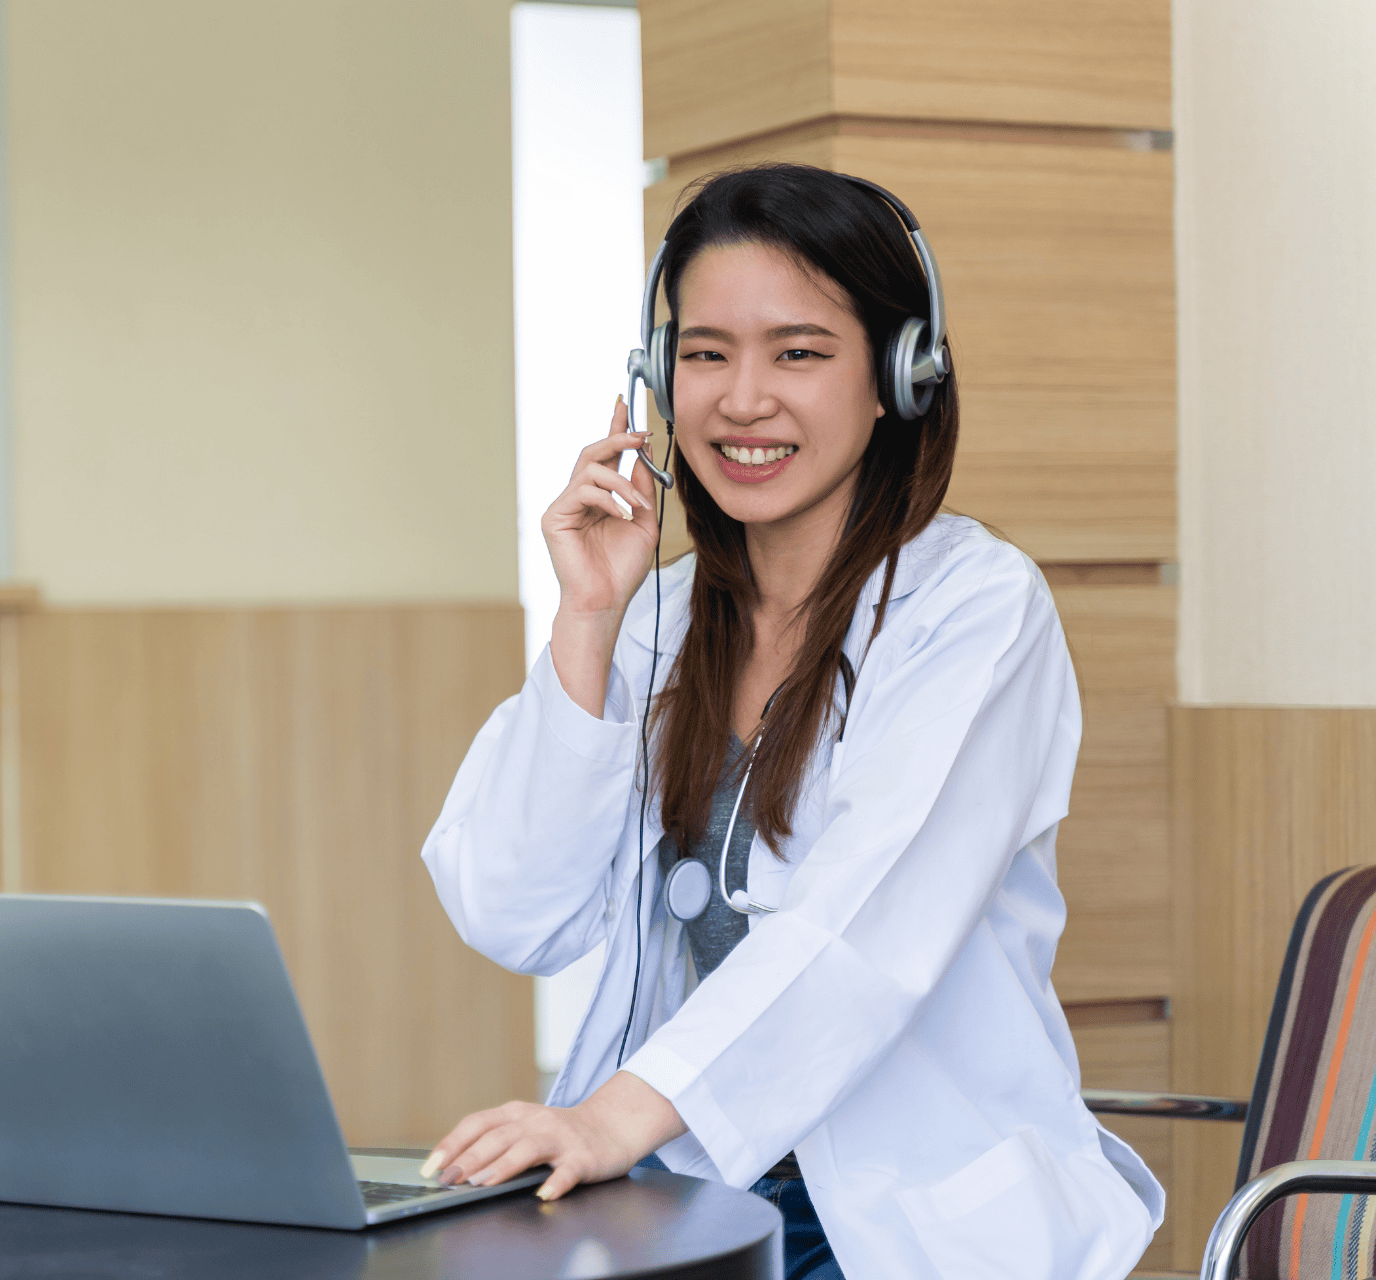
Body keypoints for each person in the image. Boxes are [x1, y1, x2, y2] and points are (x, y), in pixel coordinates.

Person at [416, 164, 1163, 1280]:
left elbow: (860, 926)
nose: (742, 397)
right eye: (706, 352)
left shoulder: (975, 608)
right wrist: (584, 616)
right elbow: (511, 907)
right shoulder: (656, 614)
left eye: (798, 352)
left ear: (899, 377)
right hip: (690, 1195)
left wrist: (616, 1117)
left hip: (900, 1217)